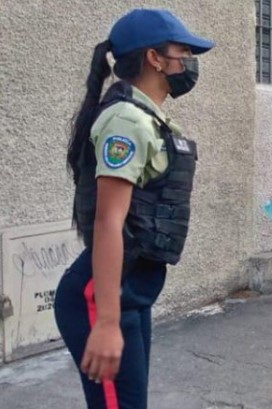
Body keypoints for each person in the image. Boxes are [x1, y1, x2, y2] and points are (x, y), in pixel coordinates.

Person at [53, 8, 214, 409]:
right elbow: (110, 221)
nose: (188, 62)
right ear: (154, 58)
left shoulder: (148, 117)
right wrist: (106, 322)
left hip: (129, 291)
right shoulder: (126, 121)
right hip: (102, 297)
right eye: (183, 52)